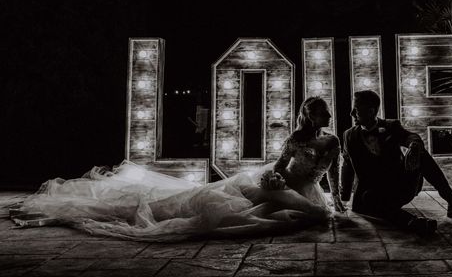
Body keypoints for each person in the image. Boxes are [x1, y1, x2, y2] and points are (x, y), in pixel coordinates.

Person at [10, 97, 344, 241]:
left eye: (328, 112)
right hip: (285, 185)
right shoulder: (295, 139)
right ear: (311, 115)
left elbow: (333, 172)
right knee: (284, 212)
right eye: (323, 112)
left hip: (307, 189)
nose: (328, 116)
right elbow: (283, 167)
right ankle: (152, 210)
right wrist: (274, 178)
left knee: (306, 211)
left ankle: (254, 211)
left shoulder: (331, 142)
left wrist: (339, 201)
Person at [340, 90, 452, 237]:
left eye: (356, 110)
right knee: (369, 200)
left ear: (371, 111)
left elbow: (411, 136)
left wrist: (414, 146)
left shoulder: (392, 126)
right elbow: (347, 164)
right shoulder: (349, 135)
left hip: (401, 186)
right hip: (373, 193)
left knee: (421, 155)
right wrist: (344, 196)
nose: (351, 113)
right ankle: (413, 222)